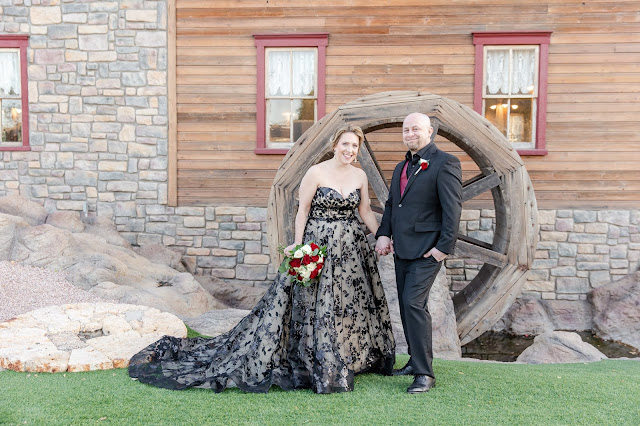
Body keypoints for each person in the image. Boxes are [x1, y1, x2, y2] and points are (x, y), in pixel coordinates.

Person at [129, 125, 395, 394]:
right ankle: (317, 358)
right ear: (334, 145)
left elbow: (364, 211)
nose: (350, 150)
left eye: (354, 147)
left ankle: (346, 355)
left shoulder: (360, 176)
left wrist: (383, 236)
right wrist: (300, 246)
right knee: (316, 302)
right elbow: (302, 211)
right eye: (345, 144)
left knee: (345, 302)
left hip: (351, 249)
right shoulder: (316, 172)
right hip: (319, 245)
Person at [375, 112, 462, 394]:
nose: (410, 134)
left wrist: (442, 249)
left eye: (415, 129)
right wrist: (384, 234)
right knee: (407, 304)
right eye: (406, 130)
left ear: (429, 131)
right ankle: (415, 360)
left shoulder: (445, 162)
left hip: (428, 250)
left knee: (413, 303)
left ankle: (425, 373)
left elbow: (452, 209)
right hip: (402, 248)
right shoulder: (401, 166)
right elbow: (392, 206)